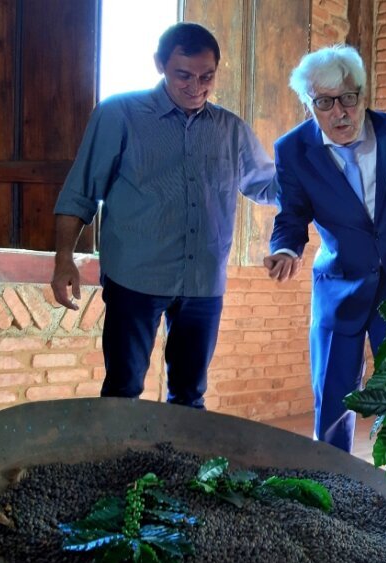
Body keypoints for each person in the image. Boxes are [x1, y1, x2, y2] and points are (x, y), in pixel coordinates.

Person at [51, 23, 277, 409]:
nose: (196, 87)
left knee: (190, 396)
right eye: (183, 75)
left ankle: (179, 454)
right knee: (122, 391)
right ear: (160, 64)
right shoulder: (119, 114)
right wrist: (63, 260)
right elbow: (80, 191)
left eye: (207, 76)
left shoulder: (232, 130)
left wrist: (320, 166)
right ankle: (121, 452)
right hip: (134, 279)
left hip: (203, 282)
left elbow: (268, 186)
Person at [263, 44, 386, 453]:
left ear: (363, 93)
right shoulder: (292, 149)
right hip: (339, 289)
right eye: (324, 102)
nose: (340, 112)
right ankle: (331, 483)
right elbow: (292, 214)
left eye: (348, 98)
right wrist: (285, 249)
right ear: (308, 104)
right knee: (332, 402)